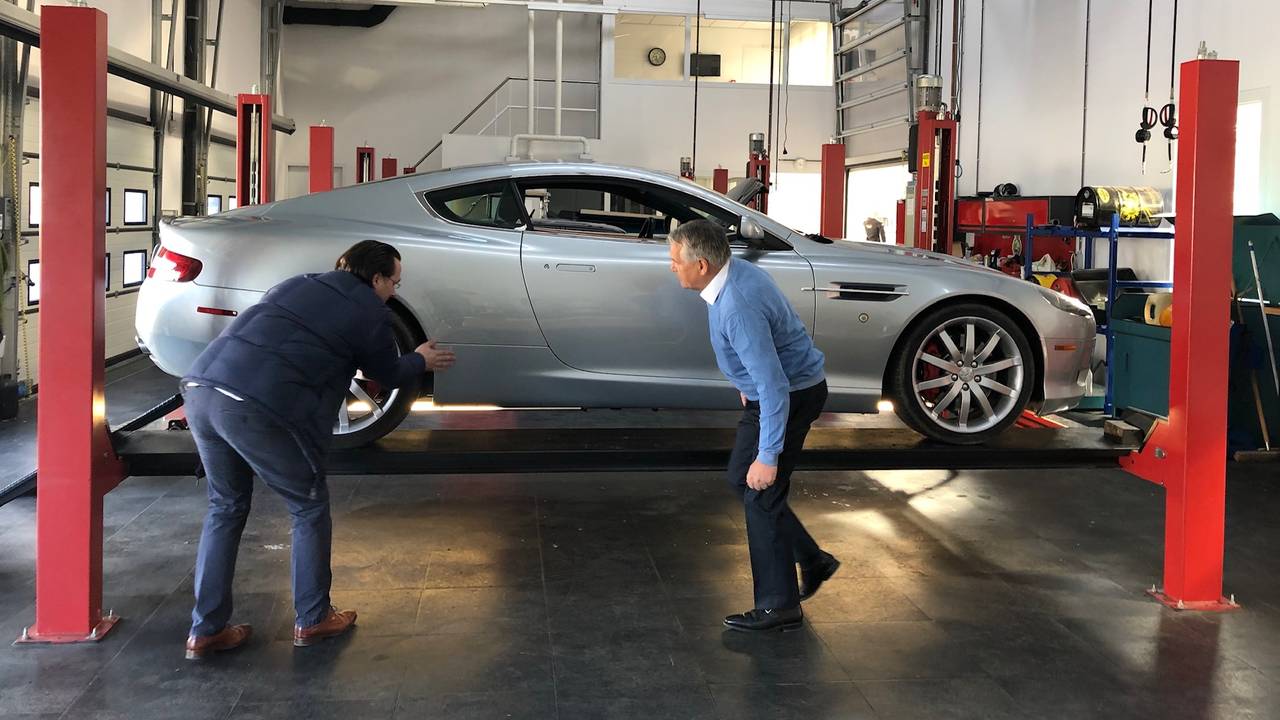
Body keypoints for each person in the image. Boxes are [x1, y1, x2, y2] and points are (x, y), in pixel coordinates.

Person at [180, 240, 455, 660]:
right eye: (394, 283)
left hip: (202, 388)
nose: (395, 293)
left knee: (225, 508)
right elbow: (387, 372)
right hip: (258, 408)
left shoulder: (299, 283)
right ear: (376, 278)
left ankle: (206, 630)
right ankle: (313, 618)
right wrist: (420, 360)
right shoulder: (369, 311)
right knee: (307, 507)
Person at [667, 219, 840, 633]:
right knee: (740, 480)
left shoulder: (737, 304)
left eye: (675, 261)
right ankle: (813, 559)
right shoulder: (733, 274)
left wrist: (768, 456)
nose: (671, 267)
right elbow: (767, 356)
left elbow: (775, 385)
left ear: (703, 264)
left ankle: (779, 606)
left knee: (760, 491)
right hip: (775, 391)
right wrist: (747, 382)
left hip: (788, 397)